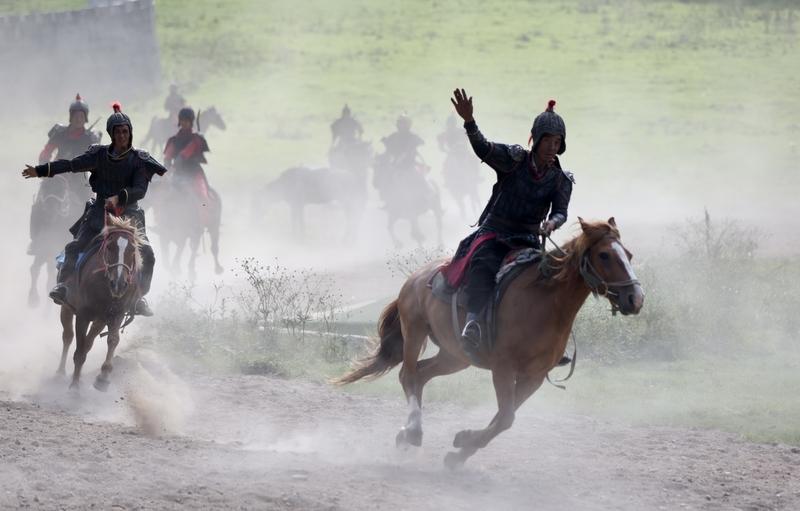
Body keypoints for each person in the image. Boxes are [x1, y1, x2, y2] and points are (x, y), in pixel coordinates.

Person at [447, 88, 574, 353]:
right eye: (548, 140)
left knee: (550, 280)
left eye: (557, 141)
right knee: (484, 264)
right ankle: (473, 324)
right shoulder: (514, 160)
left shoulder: (561, 179)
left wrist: (553, 223)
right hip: (496, 232)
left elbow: (560, 211)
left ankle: (548, 340)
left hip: (529, 239)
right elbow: (483, 148)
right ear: (537, 140)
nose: (552, 146)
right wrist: (469, 121)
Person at [22, 102, 167, 316]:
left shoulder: (139, 159)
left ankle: (138, 298)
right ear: (111, 134)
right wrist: (42, 170)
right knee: (74, 247)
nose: (122, 136)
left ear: (130, 133)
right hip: (100, 210)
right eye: (117, 132)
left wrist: (120, 197)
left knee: (149, 255)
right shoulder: (98, 155)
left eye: (125, 131)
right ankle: (63, 286)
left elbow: (139, 189)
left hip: (130, 214)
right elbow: (71, 165)